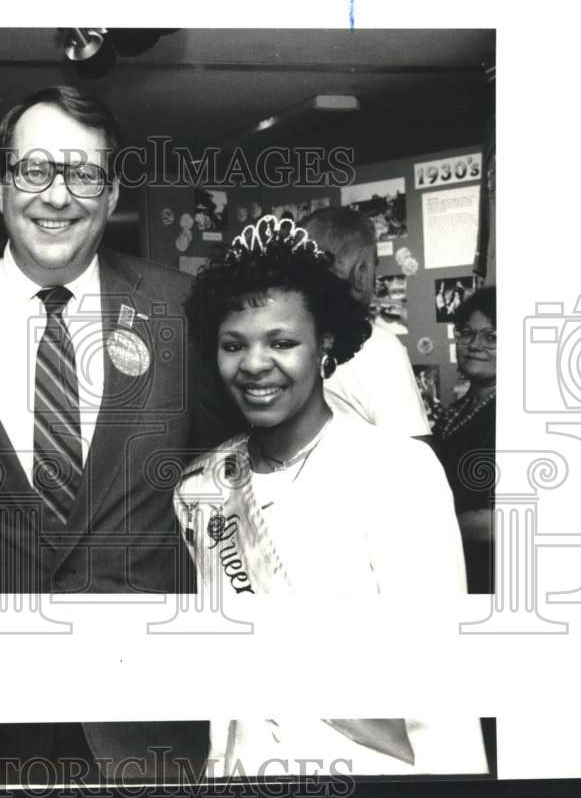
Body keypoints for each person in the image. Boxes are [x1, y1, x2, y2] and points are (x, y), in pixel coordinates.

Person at [0, 86, 230, 783]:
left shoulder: (182, 311)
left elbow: (238, 472)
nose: (57, 196)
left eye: (83, 173)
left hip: (149, 719)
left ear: (113, 188)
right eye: (34, 170)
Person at [176, 215, 487, 776]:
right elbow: (221, 678)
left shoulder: (398, 473)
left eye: (282, 341)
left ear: (325, 344)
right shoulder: (204, 487)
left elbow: (443, 683)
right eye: (233, 344)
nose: (253, 365)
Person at [299, 206, 432, 441]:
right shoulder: (377, 347)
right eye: (374, 265)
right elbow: (417, 459)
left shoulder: (283, 338)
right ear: (361, 273)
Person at [433, 286, 496, 594]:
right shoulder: (454, 411)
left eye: (491, 337)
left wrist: (433, 529)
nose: (474, 345)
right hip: (455, 568)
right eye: (466, 333)